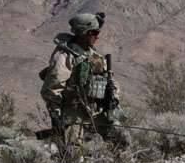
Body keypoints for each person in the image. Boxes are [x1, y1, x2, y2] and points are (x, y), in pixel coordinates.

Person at [40, 12, 128, 154]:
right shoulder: (65, 56)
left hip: (96, 110)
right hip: (74, 111)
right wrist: (56, 115)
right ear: (82, 33)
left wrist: (113, 97)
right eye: (93, 32)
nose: (97, 36)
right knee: (72, 152)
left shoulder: (95, 56)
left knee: (120, 138)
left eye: (97, 32)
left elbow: (109, 80)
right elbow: (51, 89)